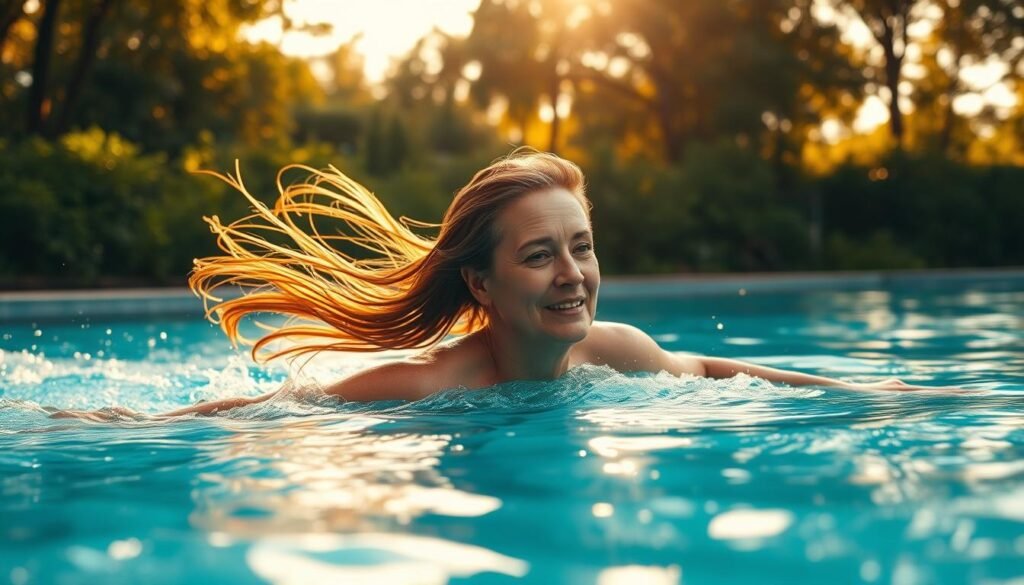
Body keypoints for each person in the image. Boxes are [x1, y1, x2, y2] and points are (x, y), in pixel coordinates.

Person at [128, 148, 944, 419]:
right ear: (480, 282)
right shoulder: (427, 384)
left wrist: (866, 389)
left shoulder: (614, 350)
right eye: (539, 255)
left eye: (581, 247)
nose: (573, 276)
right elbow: (277, 411)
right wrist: (99, 421)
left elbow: (713, 371)